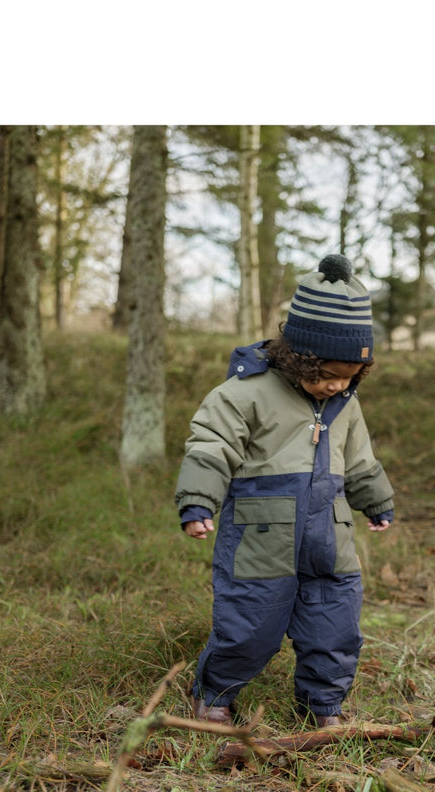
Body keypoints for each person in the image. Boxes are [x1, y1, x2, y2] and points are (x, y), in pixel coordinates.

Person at [175, 254, 394, 728]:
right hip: (261, 537)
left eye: (348, 377)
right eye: (325, 375)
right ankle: (215, 696)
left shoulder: (344, 402)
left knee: (335, 626)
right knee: (249, 624)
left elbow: (359, 457)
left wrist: (375, 499)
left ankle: (323, 706)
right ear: (299, 358)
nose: (335, 385)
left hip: (330, 537)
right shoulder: (245, 393)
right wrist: (198, 501)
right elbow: (211, 447)